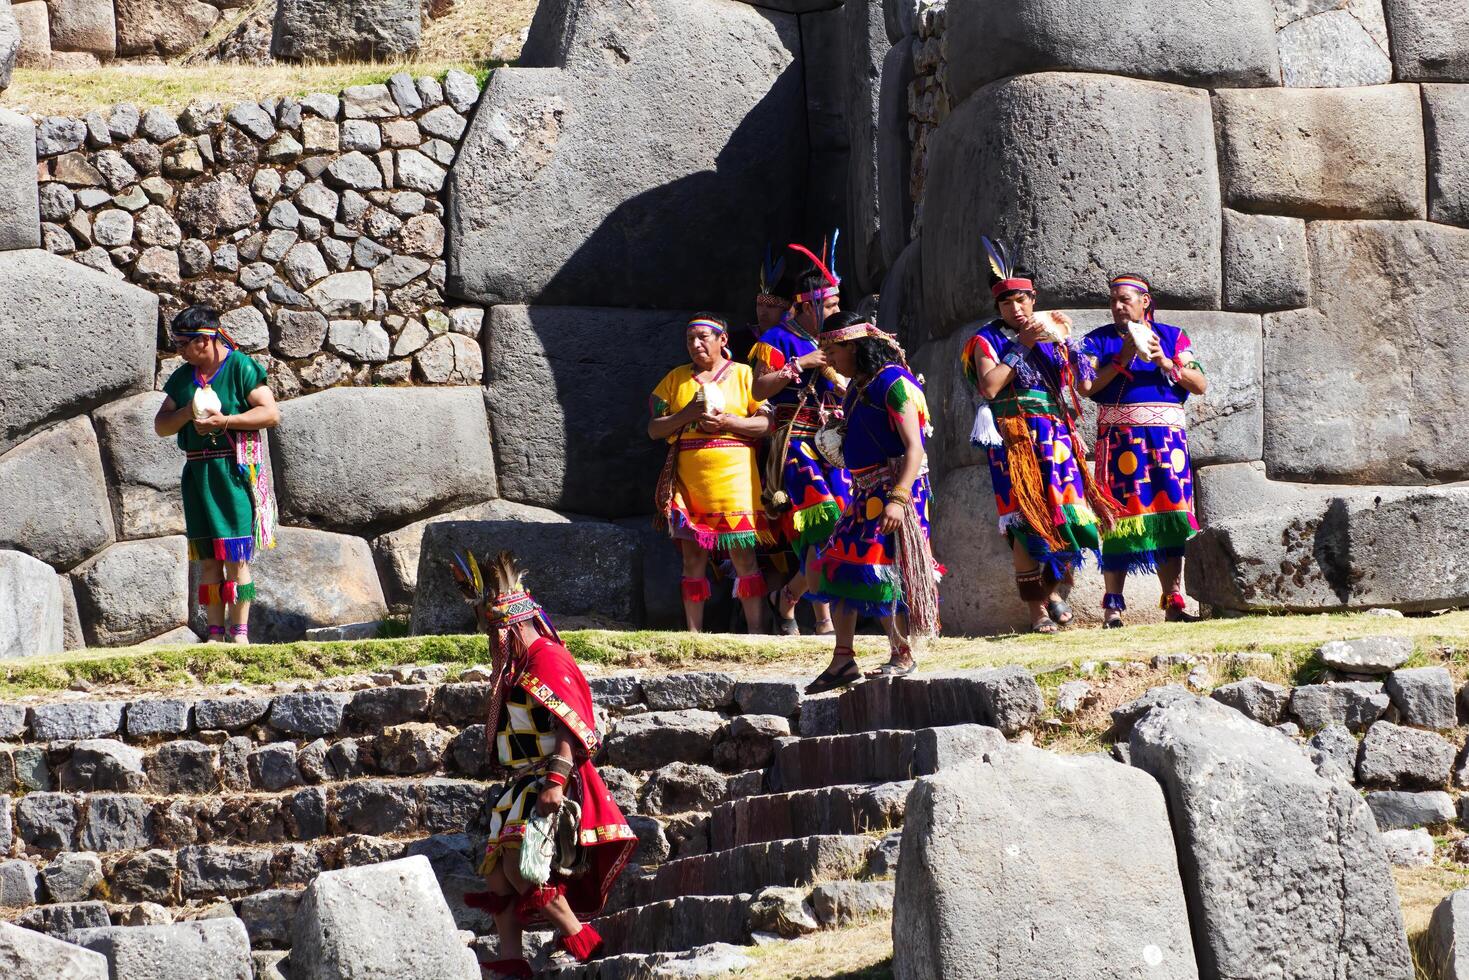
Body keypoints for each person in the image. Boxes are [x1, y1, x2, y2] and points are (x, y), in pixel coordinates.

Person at [453, 551, 636, 977]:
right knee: (498, 875)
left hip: (551, 779)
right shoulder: (522, 663)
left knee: (524, 866)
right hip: (522, 782)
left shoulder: (547, 659)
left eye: (496, 632)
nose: (492, 642)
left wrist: (556, 780)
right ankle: (513, 960)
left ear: (514, 625)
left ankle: (586, 943)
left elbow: (569, 723)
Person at [961, 240, 1118, 634]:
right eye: (1006, 303)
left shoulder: (1051, 336)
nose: (1015, 309)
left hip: (1055, 433)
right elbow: (990, 387)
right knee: (1026, 520)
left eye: (1021, 301)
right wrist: (1021, 346)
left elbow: (1072, 388)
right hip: (1014, 436)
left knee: (1067, 516)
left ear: (1034, 300)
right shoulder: (986, 340)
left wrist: (1067, 342)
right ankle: (1037, 612)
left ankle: (1050, 591)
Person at [804, 311, 942, 693]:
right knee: (837, 566)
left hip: (896, 490)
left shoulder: (894, 384)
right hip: (865, 492)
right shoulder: (857, 388)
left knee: (881, 573)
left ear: (855, 346)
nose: (828, 358)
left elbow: (914, 447)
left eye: (832, 349)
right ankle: (843, 659)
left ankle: (902, 653)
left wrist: (899, 499)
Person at [1079, 273, 1208, 627]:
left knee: (1170, 517)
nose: (1118, 306)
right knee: (1118, 521)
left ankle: (1173, 603)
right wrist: (1121, 358)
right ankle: (1113, 609)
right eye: (1113, 300)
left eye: (1125, 299)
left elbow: (1199, 384)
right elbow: (1086, 386)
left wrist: (1166, 362)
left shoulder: (1173, 337)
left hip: (1167, 441)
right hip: (1121, 442)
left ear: (1145, 301)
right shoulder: (1096, 341)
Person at [153, 306, 279, 644]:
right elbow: (161, 426)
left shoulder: (240, 367)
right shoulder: (182, 378)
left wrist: (225, 421)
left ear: (205, 339)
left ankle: (239, 636)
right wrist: (185, 411)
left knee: (235, 556)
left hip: (231, 471)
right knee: (208, 560)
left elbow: (270, 413)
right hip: (197, 473)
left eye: (183, 343)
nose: (179, 350)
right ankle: (214, 635)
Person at [748, 244, 852, 636]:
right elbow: (759, 388)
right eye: (830, 303)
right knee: (820, 516)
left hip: (834, 442)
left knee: (841, 520)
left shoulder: (836, 338)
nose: (836, 310)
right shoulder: (778, 338)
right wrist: (800, 365)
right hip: (796, 441)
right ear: (808, 304)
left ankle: (789, 598)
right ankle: (819, 617)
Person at [649, 314, 773, 632]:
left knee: (744, 559)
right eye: (690, 338)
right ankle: (694, 635)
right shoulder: (674, 380)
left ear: (723, 340)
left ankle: (757, 633)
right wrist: (686, 414)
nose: (695, 344)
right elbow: (654, 429)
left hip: (735, 481)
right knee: (692, 561)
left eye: (703, 337)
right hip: (690, 484)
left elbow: (766, 424)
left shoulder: (745, 375)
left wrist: (728, 423)